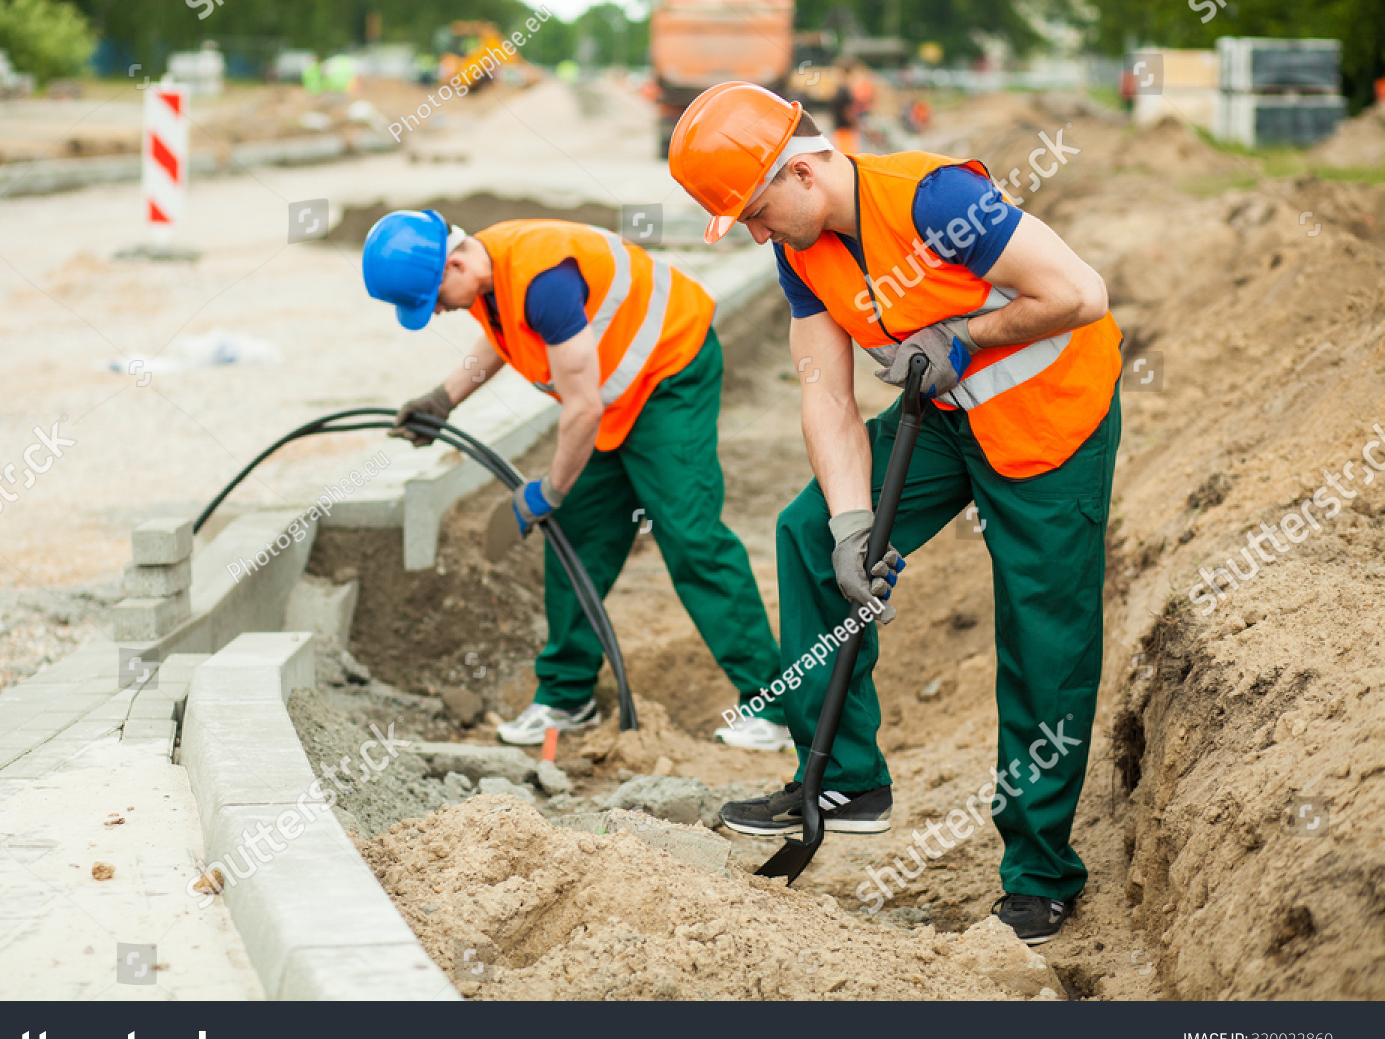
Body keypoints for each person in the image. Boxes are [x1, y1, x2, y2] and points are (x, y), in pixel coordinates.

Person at [667, 83, 1122, 944]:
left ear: (801, 171)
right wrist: (850, 526)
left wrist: (964, 338)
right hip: (947, 423)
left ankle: (1040, 871)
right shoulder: (801, 249)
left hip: (1048, 423)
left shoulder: (936, 200)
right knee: (806, 534)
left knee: (1043, 633)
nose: (759, 233)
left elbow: (1081, 291)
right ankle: (843, 779)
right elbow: (826, 396)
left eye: (758, 211)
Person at [361, 211, 791, 751]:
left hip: (669, 373)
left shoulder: (545, 281)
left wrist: (550, 490)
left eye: (435, 296)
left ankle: (773, 706)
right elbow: (504, 336)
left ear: (454, 261)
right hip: (613, 392)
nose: (440, 310)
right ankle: (567, 698)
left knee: (690, 535)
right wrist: (444, 400)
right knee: (576, 537)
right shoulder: (489, 271)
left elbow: (582, 408)